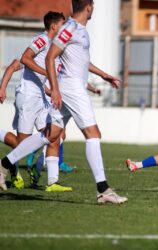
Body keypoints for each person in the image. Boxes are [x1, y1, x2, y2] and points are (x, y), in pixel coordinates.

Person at [0, 0, 127, 204]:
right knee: (93, 134)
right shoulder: (70, 28)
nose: (93, 8)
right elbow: (50, 57)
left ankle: (4, 164)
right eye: (93, 5)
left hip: (71, 87)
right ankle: (103, 190)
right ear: (88, 7)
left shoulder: (78, 29)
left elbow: (81, 61)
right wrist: (56, 89)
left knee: (50, 135)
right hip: (71, 89)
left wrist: (104, 75)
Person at [0, 11, 66, 190]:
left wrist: (51, 90)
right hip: (28, 96)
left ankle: (50, 180)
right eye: (63, 23)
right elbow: (22, 60)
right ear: (53, 26)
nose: (65, 27)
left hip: (41, 98)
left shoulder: (54, 48)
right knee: (22, 144)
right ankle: (5, 165)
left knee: (55, 134)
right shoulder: (42, 39)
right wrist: (2, 88)